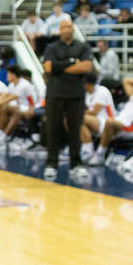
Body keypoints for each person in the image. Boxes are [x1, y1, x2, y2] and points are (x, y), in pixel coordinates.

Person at [42, 18, 93, 181]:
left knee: (75, 130)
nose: (66, 29)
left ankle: (76, 164)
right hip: (55, 94)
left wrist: (60, 67)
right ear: (59, 29)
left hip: (76, 95)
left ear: (73, 28)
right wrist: (72, 63)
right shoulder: (51, 47)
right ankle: (51, 164)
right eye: (63, 26)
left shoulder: (82, 46)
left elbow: (86, 67)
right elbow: (49, 67)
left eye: (69, 26)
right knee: (53, 129)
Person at [85, 66, 133, 165]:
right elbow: (126, 80)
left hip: (129, 127)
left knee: (109, 122)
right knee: (82, 119)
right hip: (116, 122)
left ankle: (100, 154)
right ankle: (87, 150)